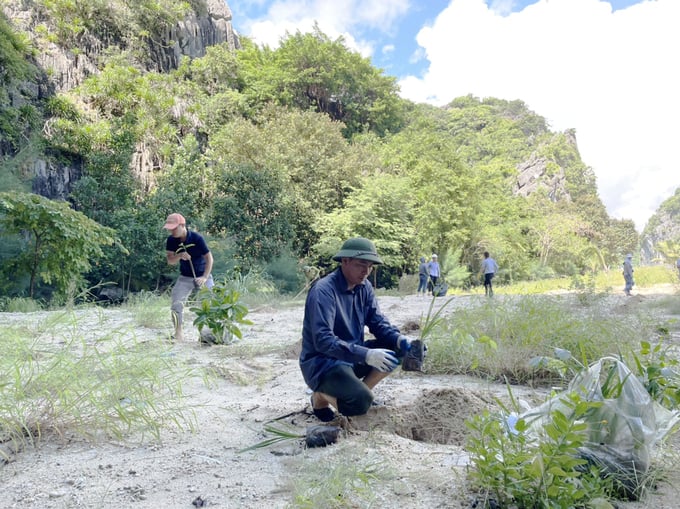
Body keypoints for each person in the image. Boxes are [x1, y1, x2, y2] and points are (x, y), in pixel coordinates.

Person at [300, 237, 415, 421]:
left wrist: (401, 340)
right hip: (323, 363)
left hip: (351, 356)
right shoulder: (323, 291)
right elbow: (323, 341)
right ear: (345, 261)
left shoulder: (364, 287)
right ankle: (320, 396)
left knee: (398, 350)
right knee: (360, 402)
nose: (366, 271)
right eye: (361, 264)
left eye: (370, 266)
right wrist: (367, 355)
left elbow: (378, 323)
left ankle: (362, 391)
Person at [163, 213, 214, 341]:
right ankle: (178, 333)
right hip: (185, 277)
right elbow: (170, 261)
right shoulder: (171, 240)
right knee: (176, 304)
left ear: (182, 225)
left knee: (209, 304)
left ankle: (207, 335)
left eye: (174, 228)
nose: (172, 231)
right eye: (170, 228)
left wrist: (204, 277)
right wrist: (180, 255)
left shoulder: (197, 238)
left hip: (202, 274)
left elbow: (209, 258)